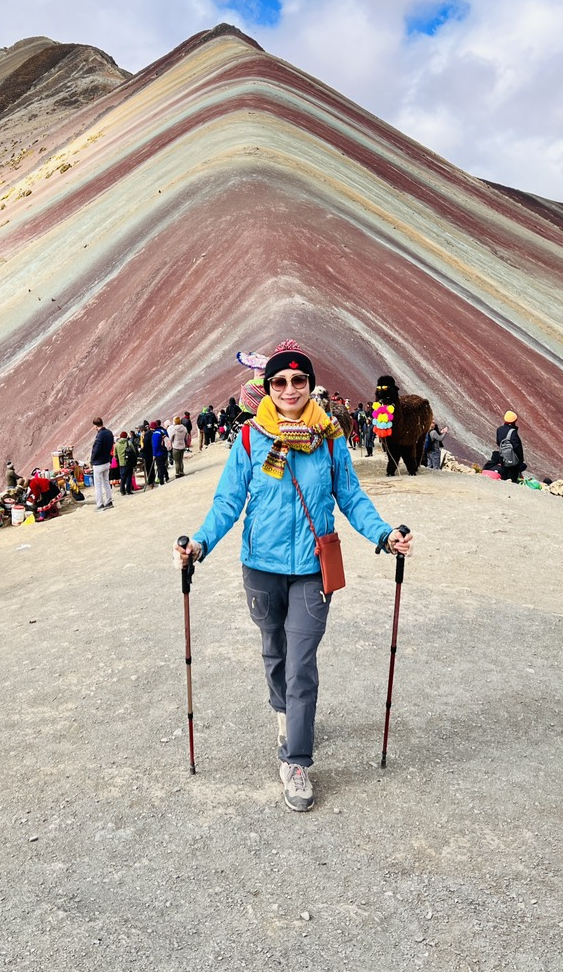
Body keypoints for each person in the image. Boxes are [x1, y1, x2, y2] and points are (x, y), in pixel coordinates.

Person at [174, 340, 413, 814]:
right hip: (260, 568)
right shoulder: (249, 439)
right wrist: (198, 543)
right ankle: (284, 713)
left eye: (298, 380)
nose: (289, 388)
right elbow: (228, 502)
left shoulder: (329, 439)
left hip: (312, 569)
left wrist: (384, 535)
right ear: (268, 387)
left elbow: (351, 496)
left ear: (310, 385)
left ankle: (297, 760)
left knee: (301, 660)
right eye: (280, 381)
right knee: (274, 649)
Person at [496, 410, 526, 483]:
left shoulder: (499, 429)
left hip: (503, 457)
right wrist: (520, 460)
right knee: (512, 478)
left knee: (504, 476)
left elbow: (498, 442)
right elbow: (516, 447)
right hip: (513, 459)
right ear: (514, 421)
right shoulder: (513, 432)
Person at [91, 418, 114, 510]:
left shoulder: (99, 435)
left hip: (98, 463)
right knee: (106, 482)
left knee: (98, 485)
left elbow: (96, 449)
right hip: (107, 460)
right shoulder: (109, 433)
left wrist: (92, 460)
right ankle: (109, 501)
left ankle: (100, 504)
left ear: (96, 426)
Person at [115, 431, 138, 495]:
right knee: (129, 476)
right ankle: (128, 490)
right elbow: (134, 452)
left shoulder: (116, 444)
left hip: (121, 463)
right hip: (129, 462)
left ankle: (122, 490)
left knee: (122, 477)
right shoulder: (129, 443)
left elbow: (115, 455)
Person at [151, 420, 169, 486]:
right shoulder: (163, 431)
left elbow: (155, 445)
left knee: (160, 467)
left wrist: (154, 454)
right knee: (163, 465)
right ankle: (166, 476)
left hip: (159, 453)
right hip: (165, 451)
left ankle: (161, 481)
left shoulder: (155, 434)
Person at [140, 421, 156, 486]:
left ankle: (150, 480)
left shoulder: (146, 436)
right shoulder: (150, 434)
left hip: (147, 454)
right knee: (151, 468)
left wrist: (141, 450)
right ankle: (152, 480)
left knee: (149, 468)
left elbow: (146, 446)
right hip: (150, 453)